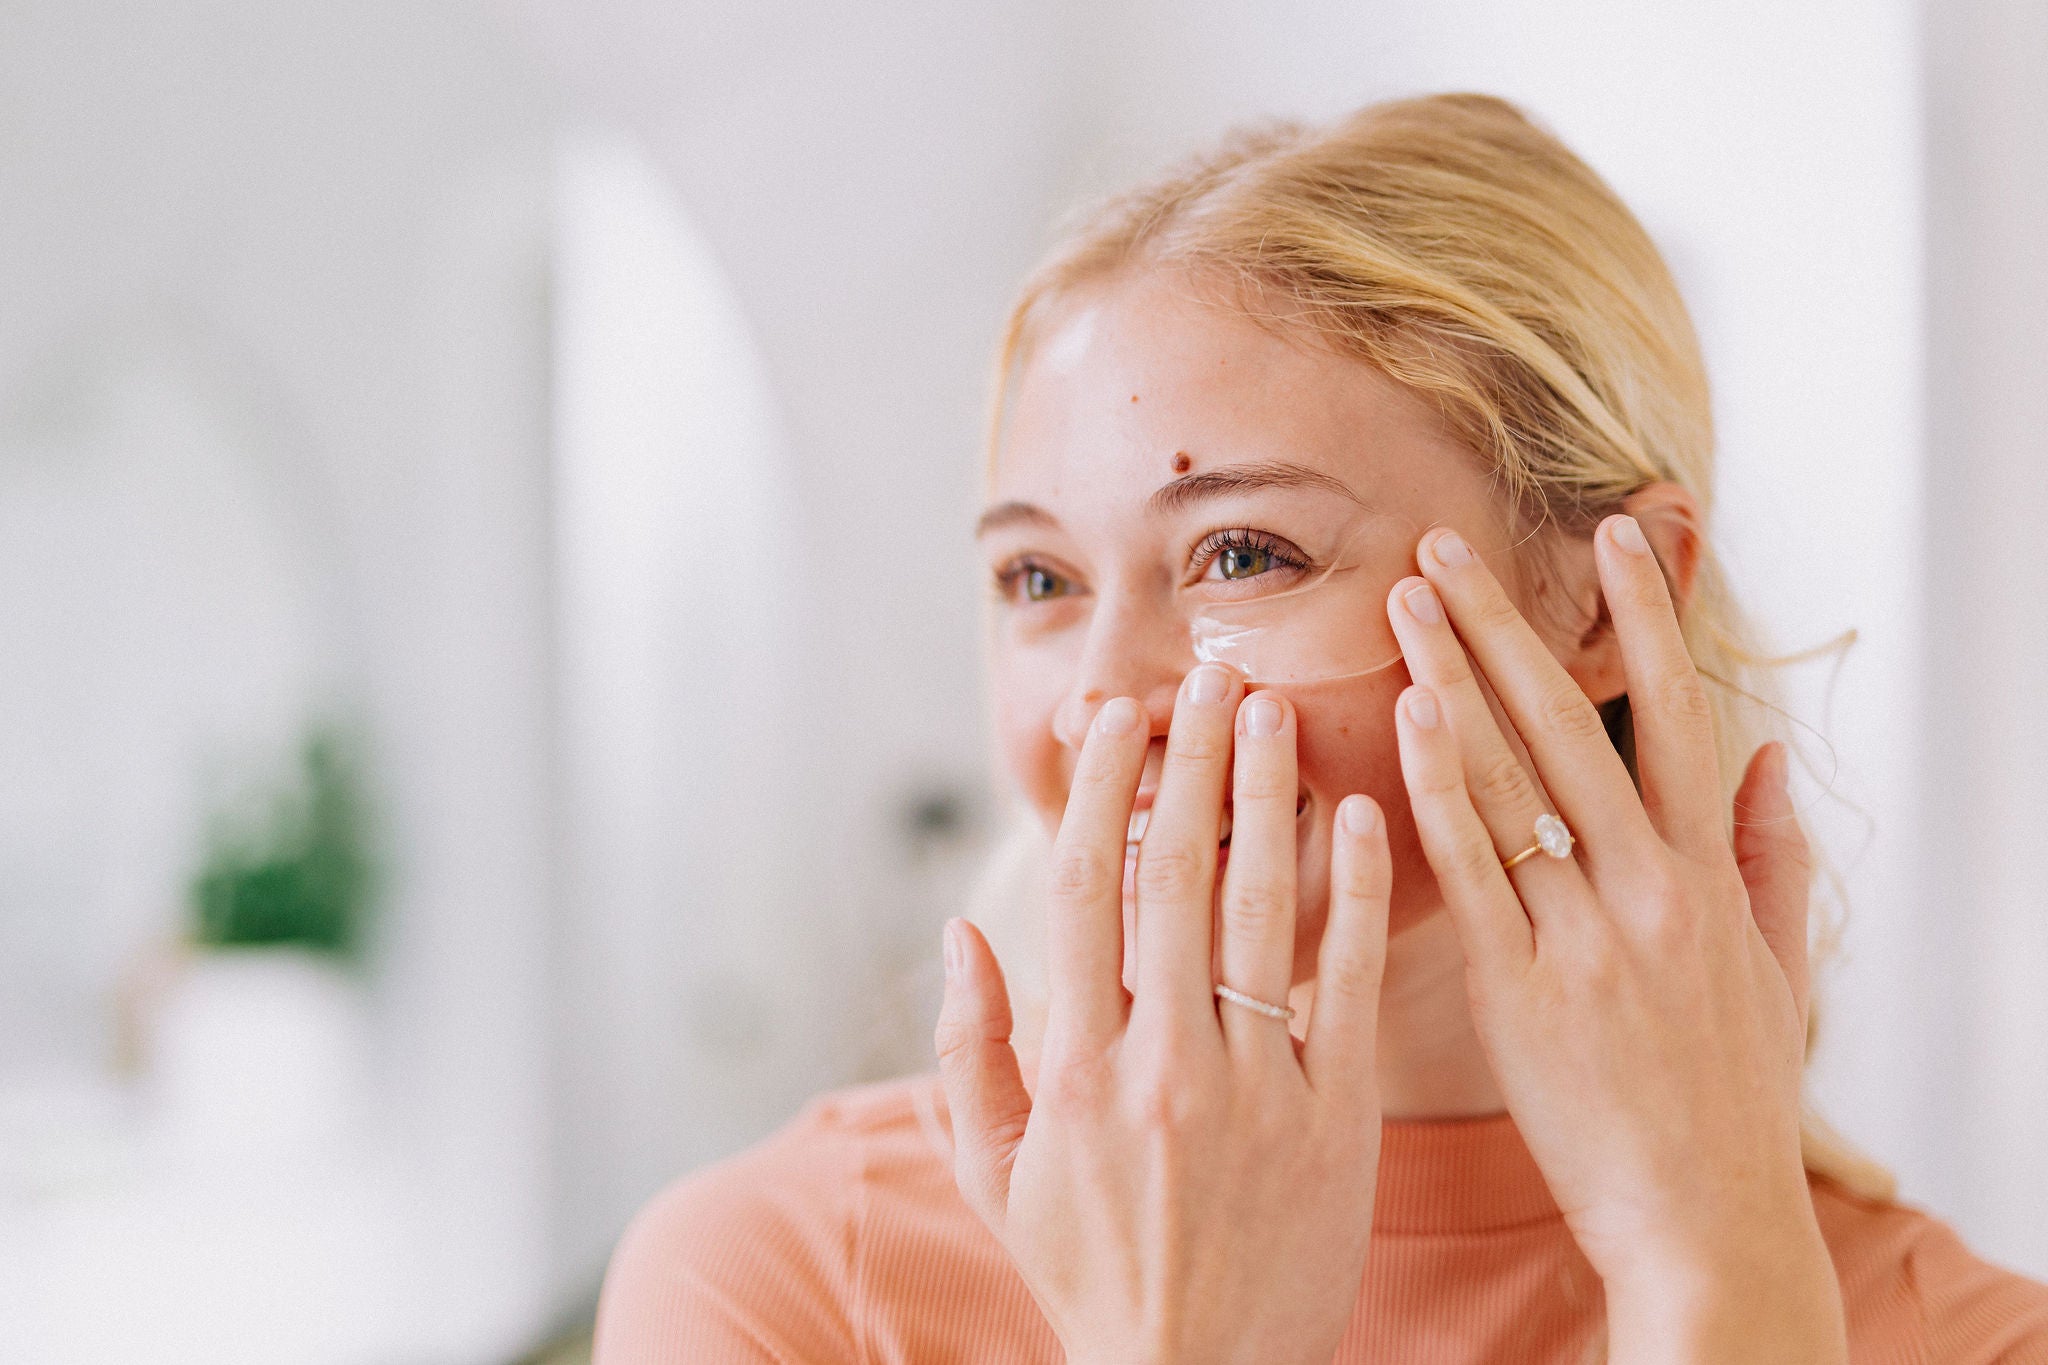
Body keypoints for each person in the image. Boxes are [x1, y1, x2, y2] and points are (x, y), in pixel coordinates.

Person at [593, 94, 2048, 1362]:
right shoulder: (782, 1286)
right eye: (1038, 578)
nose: (1103, 690)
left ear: (1606, 603)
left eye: (1243, 554)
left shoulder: (1961, 1339)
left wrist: (1714, 1276)